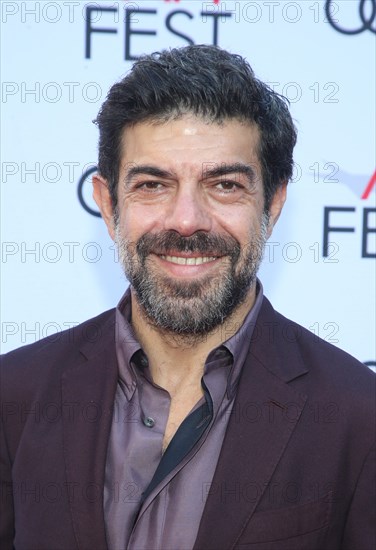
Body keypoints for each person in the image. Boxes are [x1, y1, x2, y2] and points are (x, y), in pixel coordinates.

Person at [0, 45, 374, 550]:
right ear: (109, 206)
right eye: (153, 185)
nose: (186, 220)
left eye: (224, 185)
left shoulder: (357, 415)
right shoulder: (15, 395)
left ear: (274, 204)